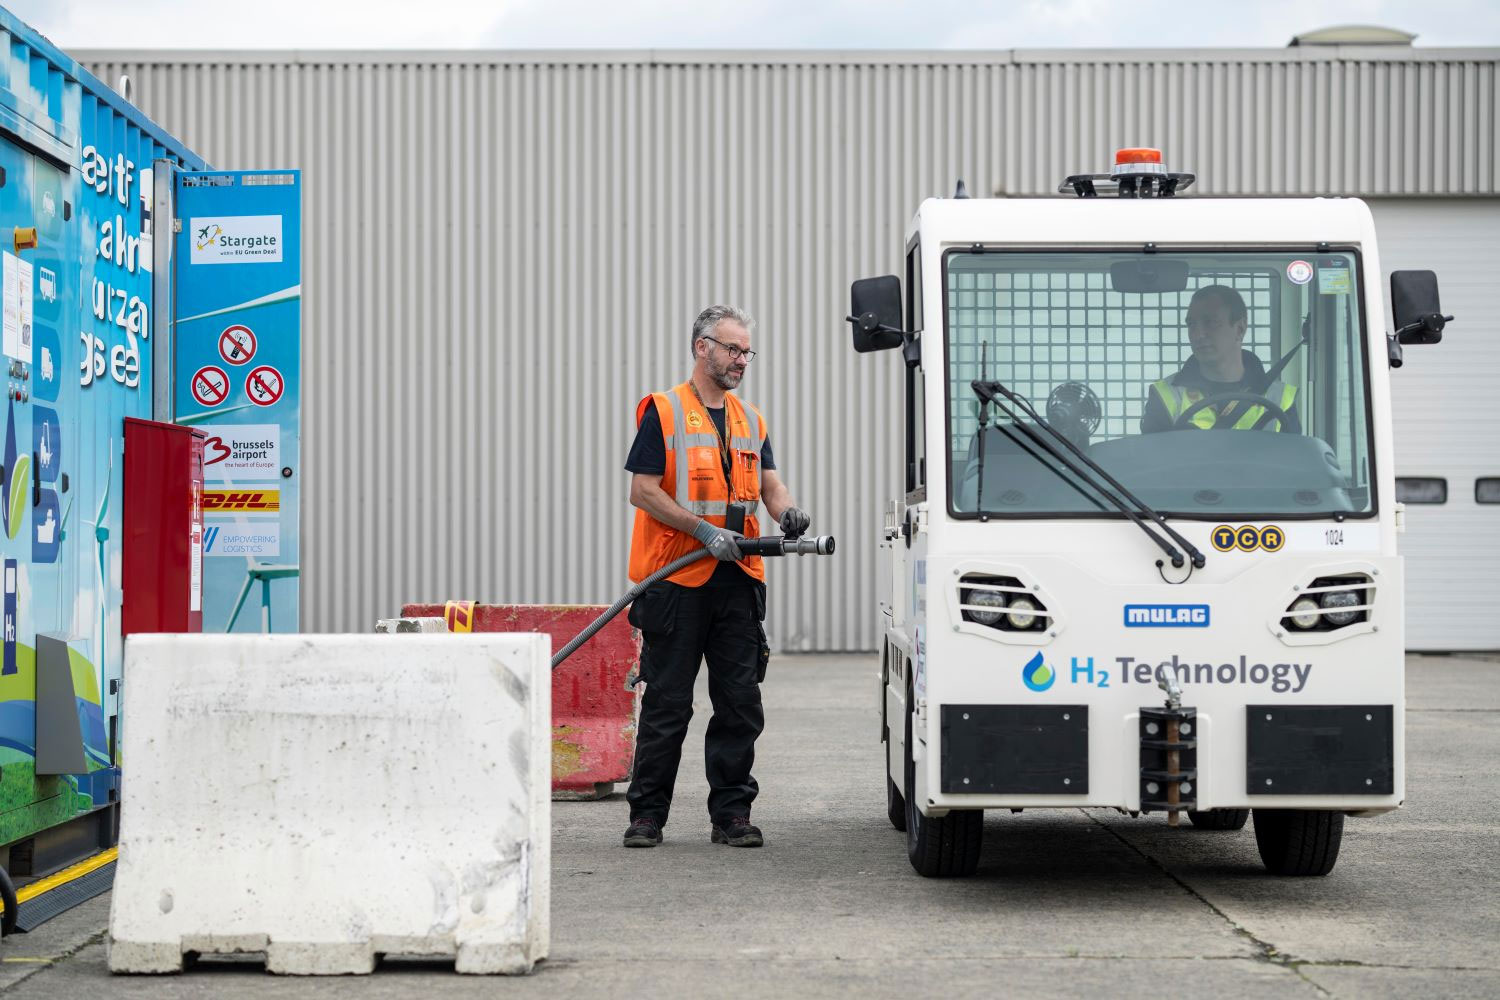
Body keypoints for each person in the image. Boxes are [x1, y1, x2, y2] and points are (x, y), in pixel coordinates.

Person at [621, 305, 810, 850]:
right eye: (733, 349)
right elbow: (643, 490)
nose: (742, 360)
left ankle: (731, 815)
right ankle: (647, 816)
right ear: (702, 347)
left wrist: (788, 512)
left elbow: (770, 484)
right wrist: (701, 530)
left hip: (738, 581)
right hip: (677, 582)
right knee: (668, 704)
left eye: (747, 351)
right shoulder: (664, 410)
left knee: (738, 702)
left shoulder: (751, 419)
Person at [1141, 284, 1301, 434]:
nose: (1197, 334)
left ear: (1240, 329)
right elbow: (1153, 461)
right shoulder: (1165, 395)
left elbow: (1294, 461)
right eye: (1191, 325)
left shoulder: (1280, 398)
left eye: (1210, 322)